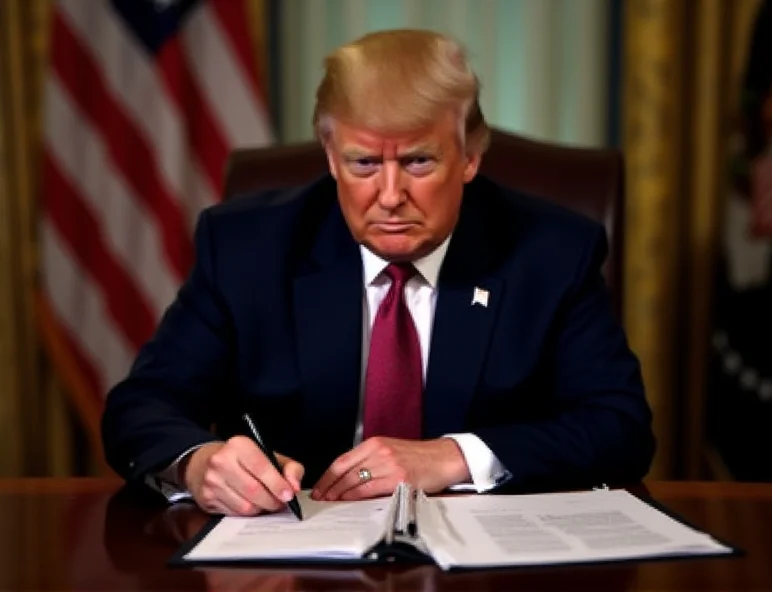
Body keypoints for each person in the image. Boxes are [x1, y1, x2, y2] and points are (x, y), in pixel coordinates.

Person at [102, 29, 655, 516]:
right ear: (329, 153)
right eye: (363, 163)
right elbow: (141, 407)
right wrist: (200, 465)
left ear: (470, 156)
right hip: (299, 561)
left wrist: (454, 456)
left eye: (419, 161)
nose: (390, 197)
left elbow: (621, 427)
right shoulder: (249, 248)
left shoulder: (553, 252)